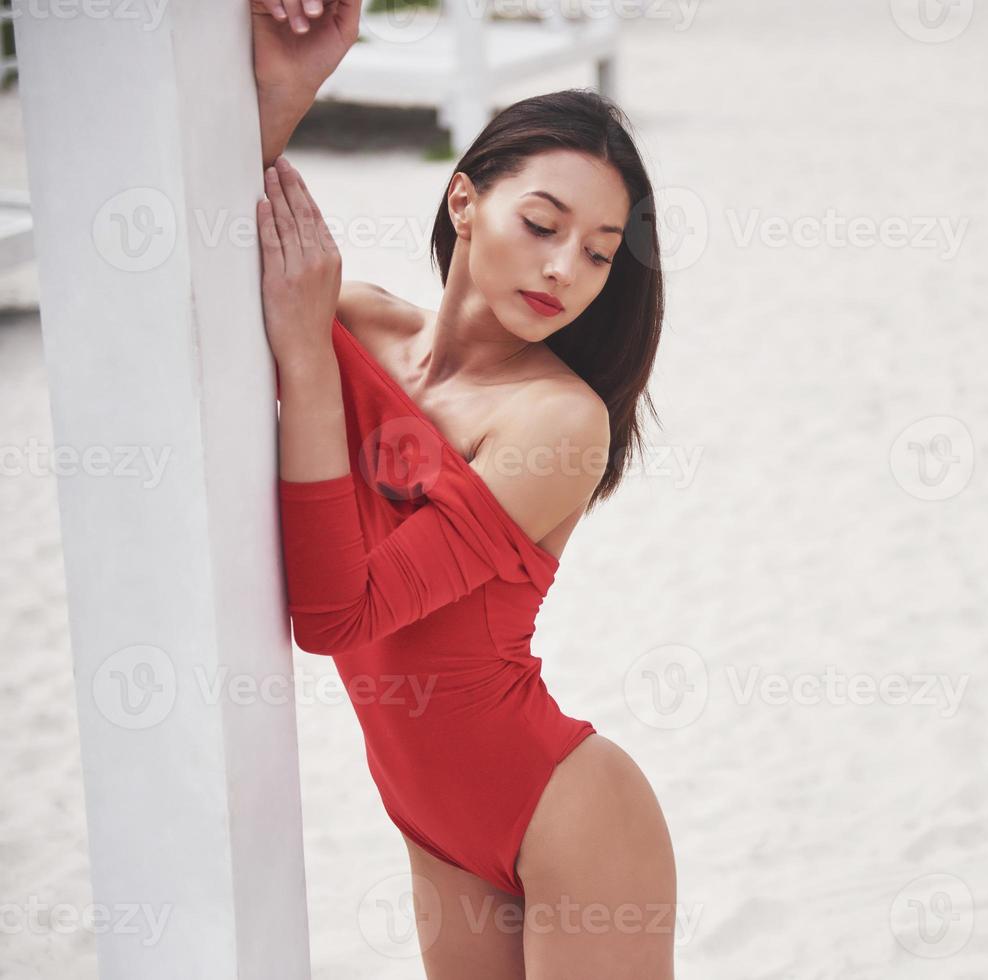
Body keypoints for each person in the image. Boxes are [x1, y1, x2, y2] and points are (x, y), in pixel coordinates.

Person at [251, 3, 677, 976]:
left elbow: (337, 612)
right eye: (542, 223)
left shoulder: (557, 422)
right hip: (432, 817)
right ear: (462, 203)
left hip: (561, 811)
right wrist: (286, 92)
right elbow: (200, 255)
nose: (566, 267)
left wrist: (307, 367)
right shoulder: (355, 320)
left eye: (601, 251)